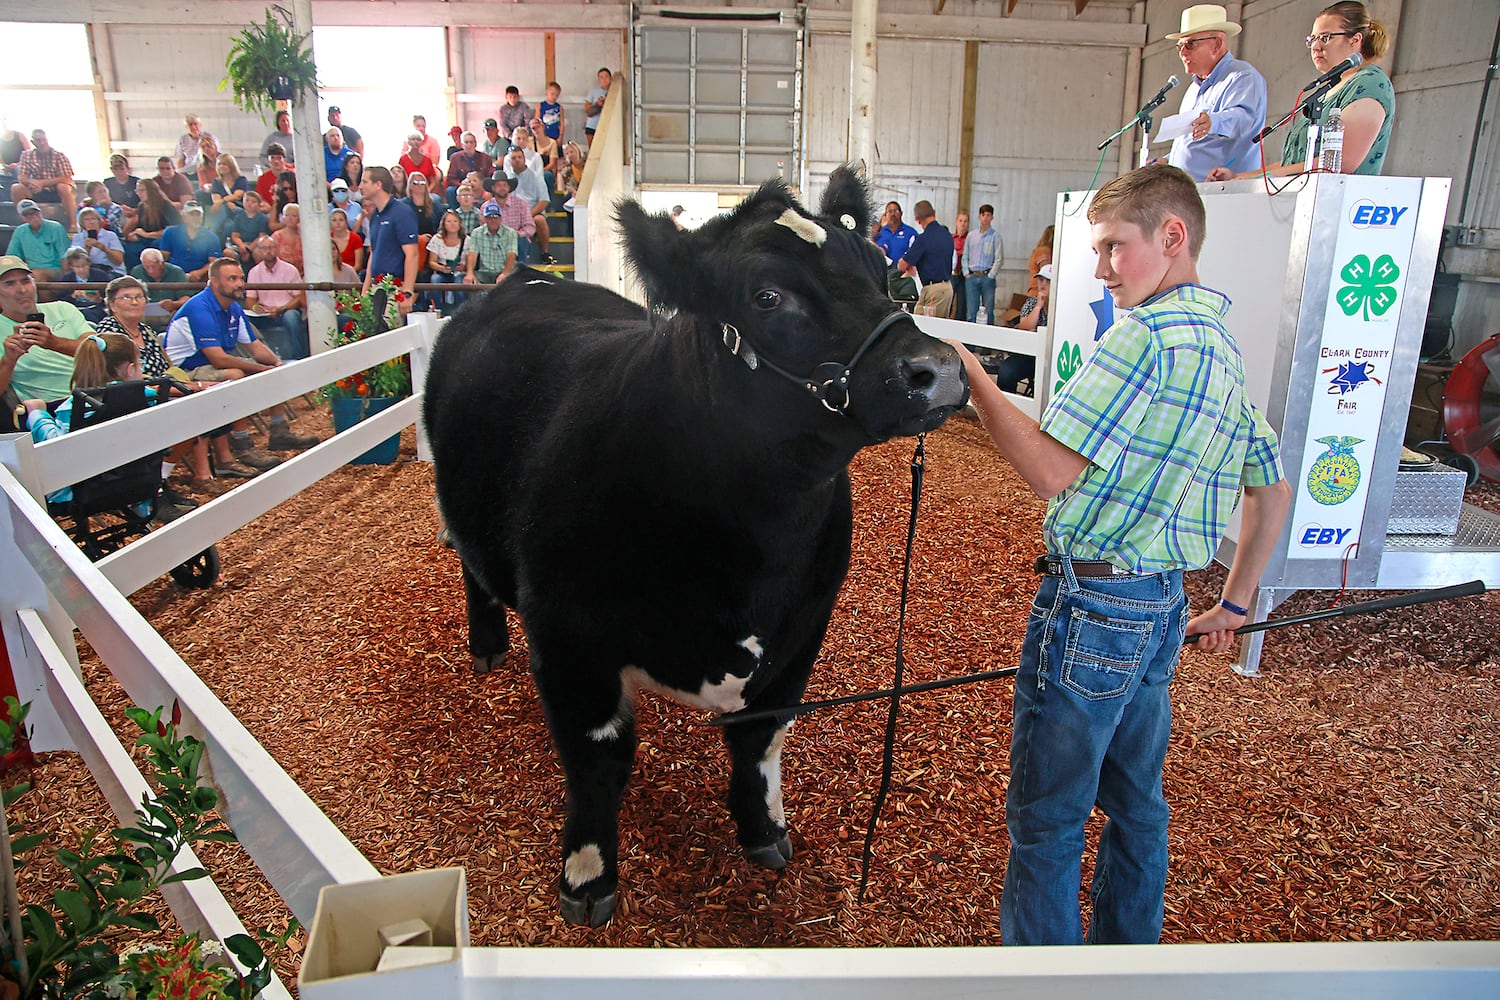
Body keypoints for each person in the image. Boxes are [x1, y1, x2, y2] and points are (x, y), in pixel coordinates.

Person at [946, 163, 1291, 947]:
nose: (1101, 269)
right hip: (1161, 605)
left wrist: (972, 377)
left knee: (1049, 821)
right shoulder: (1221, 349)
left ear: (1172, 237)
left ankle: (1043, 988)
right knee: (1138, 806)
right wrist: (1237, 603)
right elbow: (1271, 491)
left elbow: (1047, 469)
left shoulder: (1143, 337)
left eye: (1113, 248)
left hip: (1094, 609)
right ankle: (1127, 967)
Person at [15, 332, 196, 520]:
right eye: (140, 364)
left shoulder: (76, 407)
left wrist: (37, 414)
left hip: (83, 490)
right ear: (130, 369)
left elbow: (55, 445)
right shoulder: (148, 397)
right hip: (138, 482)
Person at [1210, 2, 1393, 180]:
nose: (1316, 46)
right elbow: (1293, 163)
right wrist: (1239, 177)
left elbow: (1341, 162)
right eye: (1312, 39)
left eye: (1326, 37)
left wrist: (1263, 177)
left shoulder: (1369, 83)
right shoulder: (1328, 88)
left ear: (1355, 40)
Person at [162, 257, 300, 468]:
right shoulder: (200, 307)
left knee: (268, 369)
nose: (239, 284)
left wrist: (275, 364)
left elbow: (254, 346)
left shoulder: (233, 307)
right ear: (214, 282)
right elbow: (218, 359)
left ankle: (279, 431)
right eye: (232, 279)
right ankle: (242, 444)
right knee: (235, 374)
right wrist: (262, 368)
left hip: (211, 365)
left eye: (241, 278)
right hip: (185, 370)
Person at [1163, 4, 1267, 182]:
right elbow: (1192, 141)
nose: (1183, 52)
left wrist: (1213, 121)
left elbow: (1242, 120)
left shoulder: (1242, 77)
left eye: (1190, 44)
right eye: (1179, 46)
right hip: (1192, 190)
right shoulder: (1193, 88)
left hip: (1224, 189)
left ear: (1217, 44)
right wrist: (1168, 160)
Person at [0, 255, 94, 428]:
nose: (21, 289)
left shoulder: (62, 308)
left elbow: (99, 350)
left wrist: (54, 342)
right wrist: (9, 360)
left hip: (94, 397)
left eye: (25, 281)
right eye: (9, 284)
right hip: (49, 410)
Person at [360, 166, 421, 307]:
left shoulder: (402, 212)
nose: (360, 186)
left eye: (364, 182)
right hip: (377, 287)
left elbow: (412, 254)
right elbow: (373, 253)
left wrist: (406, 292)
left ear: (378, 185)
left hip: (395, 287)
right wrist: (365, 290)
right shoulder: (375, 215)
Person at [244, 236, 308, 360]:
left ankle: (299, 357)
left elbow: (299, 298)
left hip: (286, 310)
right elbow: (250, 299)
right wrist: (257, 308)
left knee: (291, 318)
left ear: (276, 249)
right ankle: (256, 358)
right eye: (264, 248)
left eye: (271, 247)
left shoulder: (290, 269)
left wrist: (281, 308)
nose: (268, 251)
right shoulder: (254, 272)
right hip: (264, 314)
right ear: (259, 251)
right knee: (244, 319)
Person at [9, 130, 78, 229]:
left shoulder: (59, 155)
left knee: (63, 187)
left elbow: (67, 178)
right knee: (16, 188)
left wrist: (42, 183)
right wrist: (31, 183)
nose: (42, 143)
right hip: (37, 190)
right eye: (38, 140)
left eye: (44, 140)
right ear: (33, 142)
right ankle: (25, 223)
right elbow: (22, 176)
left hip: (57, 191)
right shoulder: (27, 155)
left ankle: (73, 225)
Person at [898, 201, 955, 318]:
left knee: (926, 328)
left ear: (917, 220)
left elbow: (902, 265)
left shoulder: (923, 239)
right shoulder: (947, 235)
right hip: (947, 287)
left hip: (934, 290)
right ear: (934, 213)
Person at [505, 148, 554, 263]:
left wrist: (528, 215)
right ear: (510, 161)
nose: (517, 160)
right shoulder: (507, 179)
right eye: (513, 158)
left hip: (533, 212)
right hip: (511, 214)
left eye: (519, 157)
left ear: (524, 159)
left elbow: (544, 201)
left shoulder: (537, 177)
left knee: (540, 220)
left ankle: (544, 253)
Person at [124, 179, 180, 270]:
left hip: (164, 240)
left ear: (151, 190)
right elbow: (142, 228)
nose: (139, 193)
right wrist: (135, 234)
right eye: (137, 191)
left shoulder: (166, 206)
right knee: (130, 249)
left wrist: (146, 235)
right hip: (146, 239)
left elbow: (171, 231)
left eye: (142, 190)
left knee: (155, 246)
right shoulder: (142, 206)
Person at [157, 202, 220, 283]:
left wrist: (199, 272)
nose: (196, 218)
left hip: (199, 278)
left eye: (198, 215)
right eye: (192, 215)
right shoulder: (170, 232)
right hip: (173, 277)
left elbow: (214, 262)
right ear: (184, 217)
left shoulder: (211, 237)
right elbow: (164, 258)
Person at [10, 200, 71, 281]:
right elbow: (12, 257)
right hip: (30, 271)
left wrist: (67, 280)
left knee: (37, 274)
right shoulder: (20, 231)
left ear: (40, 212)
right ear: (22, 218)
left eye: (35, 213)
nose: (34, 216)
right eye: (28, 215)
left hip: (56, 270)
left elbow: (65, 256)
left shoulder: (56, 227)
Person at [129, 248, 191, 327]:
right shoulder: (136, 272)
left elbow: (186, 297)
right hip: (144, 315)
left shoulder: (176, 272)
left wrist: (174, 304)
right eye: (147, 267)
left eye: (153, 266)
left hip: (171, 313)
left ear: (162, 263)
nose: (150, 270)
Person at [963, 204, 1003, 324]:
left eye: (988, 215)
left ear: (992, 217)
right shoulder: (971, 236)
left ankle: (987, 340)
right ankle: (971, 340)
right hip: (972, 276)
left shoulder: (996, 237)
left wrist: (991, 275)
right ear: (979, 217)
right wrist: (966, 272)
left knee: (988, 311)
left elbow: (999, 258)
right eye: (983, 215)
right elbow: (965, 255)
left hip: (987, 277)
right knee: (971, 311)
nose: (985, 218)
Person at [463, 202, 518, 284]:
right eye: (489, 217)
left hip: (503, 270)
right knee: (470, 280)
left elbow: (511, 255)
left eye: (496, 217)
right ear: (484, 219)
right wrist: (470, 273)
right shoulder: (477, 232)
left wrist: (505, 273)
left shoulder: (511, 233)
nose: (493, 220)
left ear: (501, 218)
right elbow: (472, 254)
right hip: (483, 272)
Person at [426, 210, 468, 312]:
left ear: (459, 223)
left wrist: (463, 266)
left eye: (455, 221)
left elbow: (470, 262)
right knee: (435, 281)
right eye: (449, 221)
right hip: (442, 271)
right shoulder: (437, 239)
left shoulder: (467, 240)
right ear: (444, 224)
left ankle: (461, 312)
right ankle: (437, 311)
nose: (452, 224)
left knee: (459, 285)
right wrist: (443, 268)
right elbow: (431, 262)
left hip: (459, 272)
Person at [69, 208, 126, 277]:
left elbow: (118, 261)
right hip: (88, 272)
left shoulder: (110, 235)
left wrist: (105, 249)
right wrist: (87, 248)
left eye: (93, 219)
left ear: (99, 221)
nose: (91, 222)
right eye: (87, 219)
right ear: (82, 223)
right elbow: (76, 262)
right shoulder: (78, 238)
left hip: (111, 271)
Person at [492, 177, 537, 263]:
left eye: (504, 185)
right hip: (494, 240)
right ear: (493, 188)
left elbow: (530, 227)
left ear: (509, 187)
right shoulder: (487, 206)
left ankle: (521, 272)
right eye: (498, 185)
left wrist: (516, 234)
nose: (502, 188)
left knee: (521, 241)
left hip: (517, 239)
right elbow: (484, 227)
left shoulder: (521, 204)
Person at [445, 131, 494, 207]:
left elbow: (490, 177)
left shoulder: (485, 158)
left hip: (480, 188)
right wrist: (461, 183)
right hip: (462, 187)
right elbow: (450, 179)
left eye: (471, 142)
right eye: (466, 142)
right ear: (462, 145)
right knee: (450, 190)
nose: (469, 145)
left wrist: (480, 184)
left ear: (475, 144)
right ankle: (455, 214)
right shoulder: (455, 158)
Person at [57, 249, 106, 323]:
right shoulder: (67, 278)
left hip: (96, 308)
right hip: (74, 308)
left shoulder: (101, 275)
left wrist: (98, 299)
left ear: (89, 263)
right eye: (77, 267)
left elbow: (108, 297)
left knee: (89, 315)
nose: (81, 269)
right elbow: (60, 300)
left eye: (84, 266)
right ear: (71, 267)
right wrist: (72, 296)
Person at [225, 190, 272, 265]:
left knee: (258, 253)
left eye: (253, 202)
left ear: (259, 204)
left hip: (255, 245)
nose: (249, 203)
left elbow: (261, 237)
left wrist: (248, 250)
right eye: (247, 200)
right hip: (241, 244)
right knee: (228, 252)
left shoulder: (263, 218)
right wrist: (242, 246)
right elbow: (235, 236)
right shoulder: (238, 218)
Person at [208, 153, 249, 235]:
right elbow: (216, 199)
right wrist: (227, 203)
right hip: (224, 211)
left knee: (222, 206)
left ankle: (211, 233)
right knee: (228, 226)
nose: (221, 166)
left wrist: (223, 201)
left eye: (224, 164)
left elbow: (237, 196)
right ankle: (214, 235)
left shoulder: (241, 180)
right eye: (219, 164)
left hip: (238, 210)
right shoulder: (216, 182)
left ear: (231, 165)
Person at [874, 201, 918, 267]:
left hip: (904, 273)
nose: (893, 214)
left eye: (896, 211)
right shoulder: (879, 233)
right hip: (882, 272)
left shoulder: (910, 233)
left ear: (901, 213)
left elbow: (917, 253)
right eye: (890, 212)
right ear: (885, 215)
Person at [271, 203, 304, 273]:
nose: (290, 218)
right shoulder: (276, 236)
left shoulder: (304, 237)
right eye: (286, 215)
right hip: (281, 274)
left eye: (294, 216)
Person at [256, 144, 290, 209]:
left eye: (279, 158)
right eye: (272, 158)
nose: (276, 161)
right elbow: (260, 199)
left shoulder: (293, 175)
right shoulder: (262, 179)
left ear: (284, 159)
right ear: (268, 159)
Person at [330, 207, 365, 271]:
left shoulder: (355, 238)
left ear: (346, 222)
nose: (338, 223)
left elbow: (358, 266)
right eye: (334, 220)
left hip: (352, 274)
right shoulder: (327, 239)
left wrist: (345, 274)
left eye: (341, 220)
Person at [584, 68, 612, 146]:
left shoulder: (613, 92)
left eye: (606, 76)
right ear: (598, 79)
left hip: (606, 126)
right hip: (592, 125)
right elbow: (586, 108)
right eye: (601, 77)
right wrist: (597, 104)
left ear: (610, 78)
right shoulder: (593, 91)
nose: (604, 79)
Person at [950, 210, 969, 323]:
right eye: (960, 221)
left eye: (965, 221)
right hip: (952, 273)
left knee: (962, 304)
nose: (963, 224)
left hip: (964, 273)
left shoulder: (970, 238)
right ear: (956, 222)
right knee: (949, 301)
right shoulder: (951, 238)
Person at [1025, 225, 1054, 298]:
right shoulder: (1044, 251)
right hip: (1038, 293)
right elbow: (1046, 273)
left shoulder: (1040, 251)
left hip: (1036, 292)